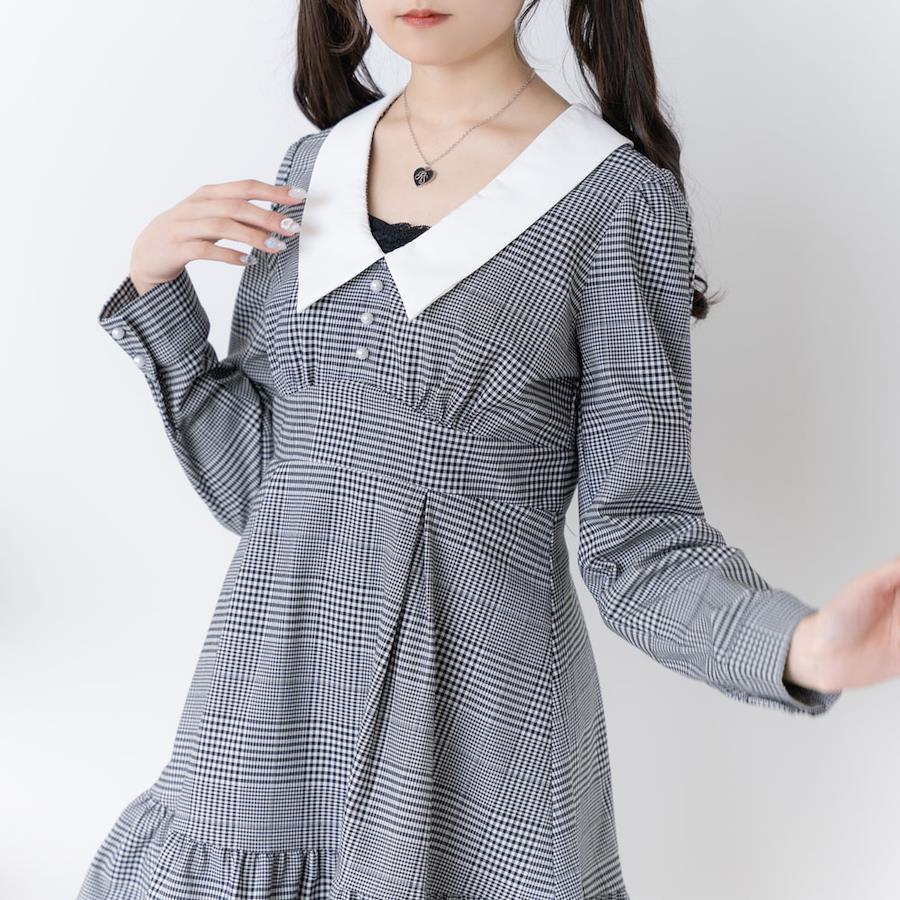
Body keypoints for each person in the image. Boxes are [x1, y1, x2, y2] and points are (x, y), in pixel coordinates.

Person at [77, 2, 899, 898]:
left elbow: (639, 542)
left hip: (475, 752)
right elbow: (267, 492)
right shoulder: (313, 169)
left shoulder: (613, 200)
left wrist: (798, 648)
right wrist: (158, 292)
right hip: (267, 719)